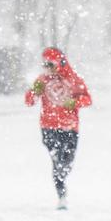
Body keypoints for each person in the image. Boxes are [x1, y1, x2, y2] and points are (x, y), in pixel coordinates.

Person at [25, 47, 92, 209]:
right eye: (44, 65)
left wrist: (74, 102)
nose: (47, 68)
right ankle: (61, 194)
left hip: (70, 128)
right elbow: (29, 101)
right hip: (49, 126)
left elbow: (87, 99)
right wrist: (34, 91)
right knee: (57, 161)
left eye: (50, 64)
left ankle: (62, 177)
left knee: (67, 161)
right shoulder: (42, 80)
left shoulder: (73, 79)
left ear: (59, 63)